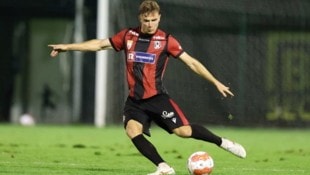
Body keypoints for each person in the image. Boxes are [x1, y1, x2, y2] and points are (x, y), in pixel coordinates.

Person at [48, 1, 246, 174]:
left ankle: (223, 143)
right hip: (135, 100)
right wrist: (67, 47)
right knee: (132, 130)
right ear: (140, 19)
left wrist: (215, 82)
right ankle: (163, 167)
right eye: (146, 20)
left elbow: (192, 63)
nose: (150, 24)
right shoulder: (128, 36)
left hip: (157, 98)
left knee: (183, 132)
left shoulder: (166, 40)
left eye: (154, 20)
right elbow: (99, 44)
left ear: (159, 18)